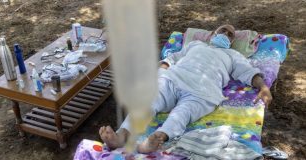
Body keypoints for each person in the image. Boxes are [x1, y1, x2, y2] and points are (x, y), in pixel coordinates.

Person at [99, 24, 272, 153]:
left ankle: (155, 139)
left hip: (203, 90)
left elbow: (249, 73)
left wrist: (263, 87)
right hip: (173, 79)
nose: (226, 34)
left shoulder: (233, 55)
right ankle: (121, 134)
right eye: (223, 31)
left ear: (232, 42)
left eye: (230, 35)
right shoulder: (195, 45)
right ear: (212, 34)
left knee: (181, 114)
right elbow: (172, 58)